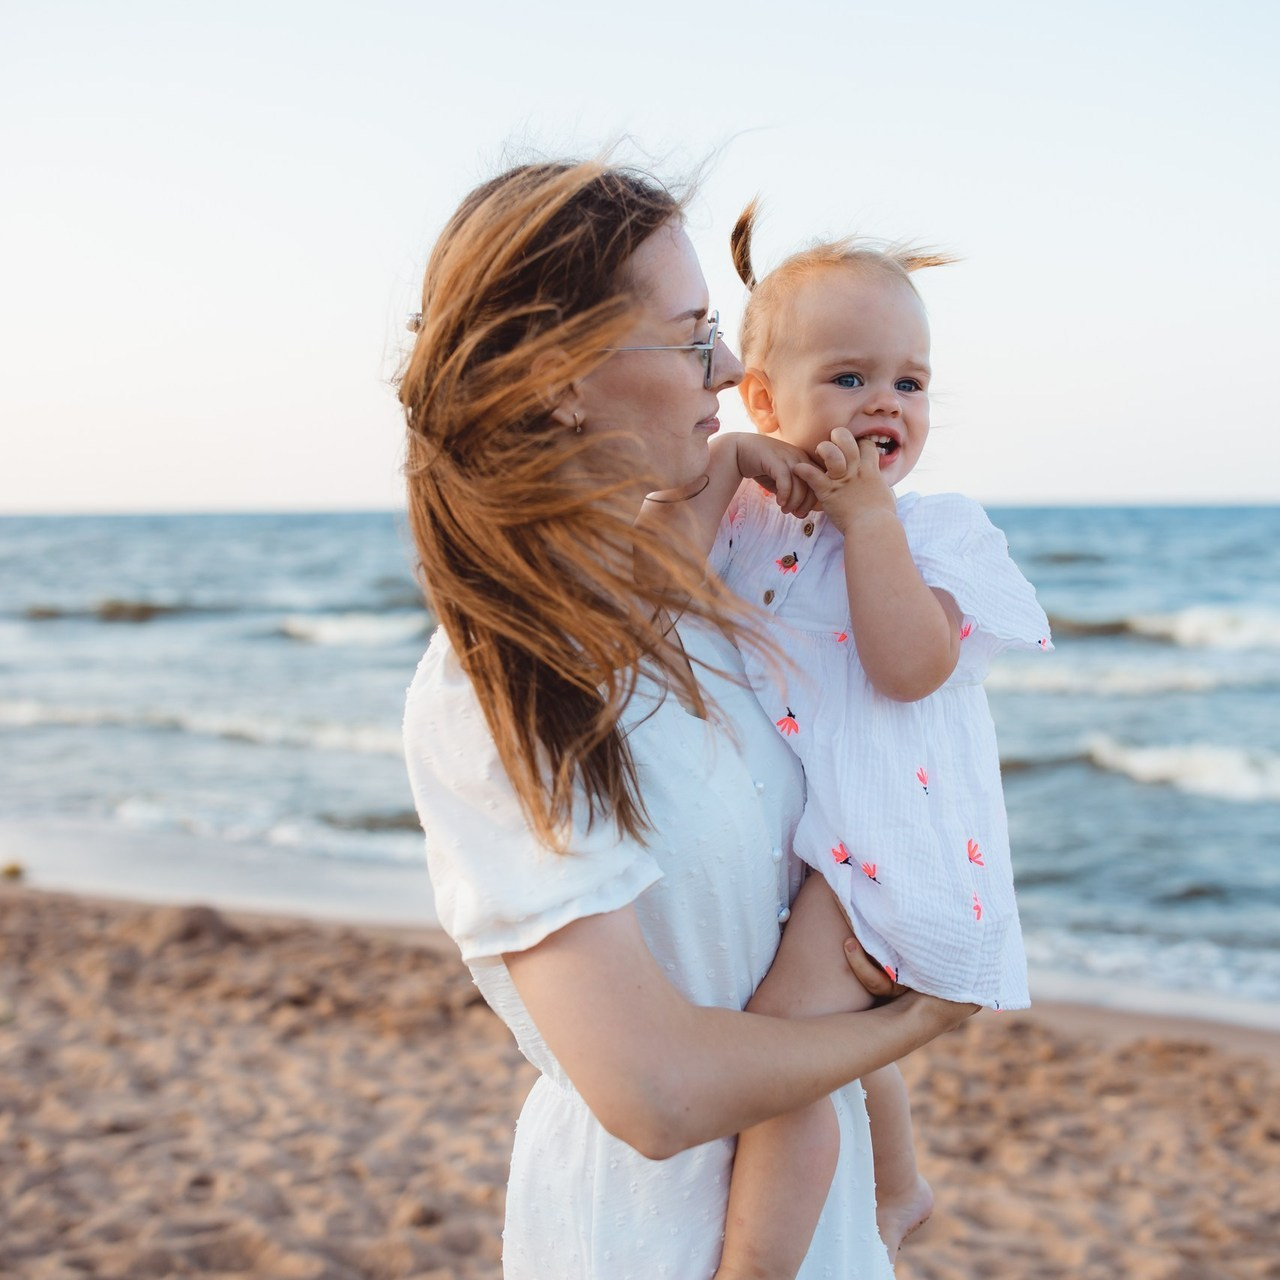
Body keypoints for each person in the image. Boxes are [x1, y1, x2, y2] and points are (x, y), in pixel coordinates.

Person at [399, 160, 977, 1280]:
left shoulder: (714, 582)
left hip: (820, 1203)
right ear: (561, 377)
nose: (727, 366)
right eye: (690, 334)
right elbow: (653, 1092)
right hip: (649, 1235)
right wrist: (911, 1027)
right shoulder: (497, 686)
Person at [673, 205, 1052, 1279]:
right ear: (760, 397)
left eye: (909, 381)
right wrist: (726, 466)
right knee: (813, 1026)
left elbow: (910, 664)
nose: (884, 401)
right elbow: (651, 581)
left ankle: (755, 1267)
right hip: (816, 842)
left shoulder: (937, 530)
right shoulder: (748, 514)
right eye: (846, 378)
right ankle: (898, 1183)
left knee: (780, 1056)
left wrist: (869, 523)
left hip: (898, 848)